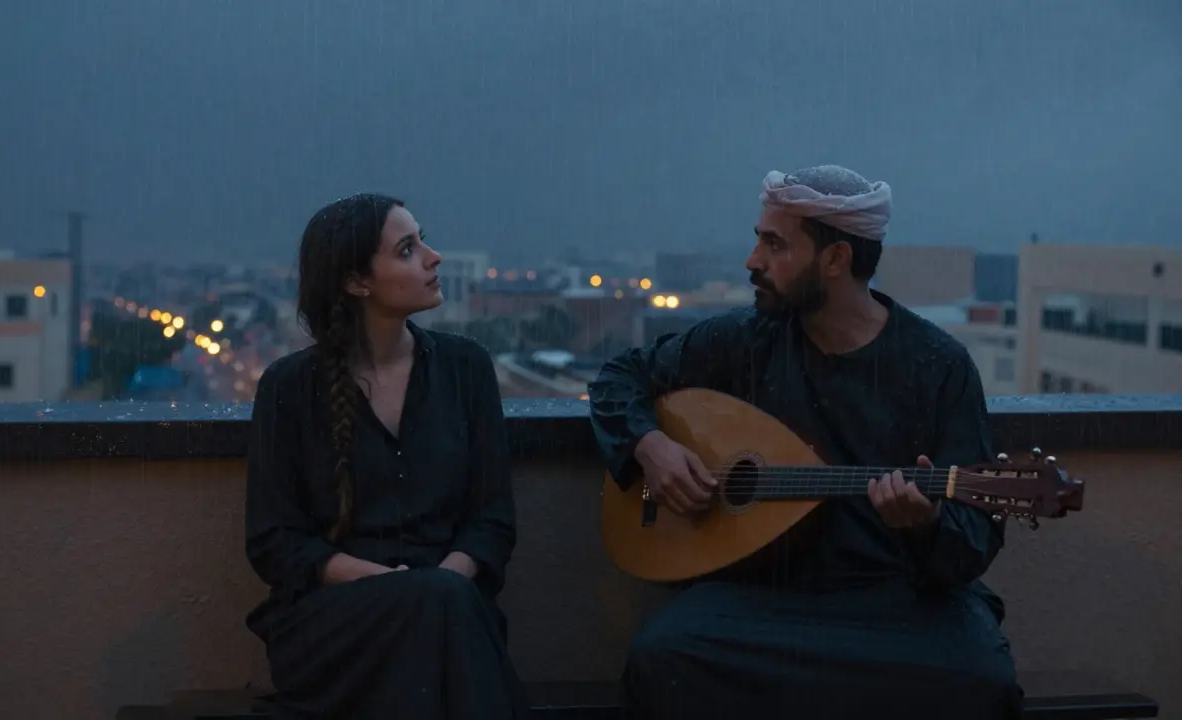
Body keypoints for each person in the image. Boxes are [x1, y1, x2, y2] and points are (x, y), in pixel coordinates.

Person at [588, 166, 1021, 719]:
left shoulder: (937, 366)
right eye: (758, 240)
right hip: (761, 596)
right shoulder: (743, 342)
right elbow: (617, 380)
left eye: (774, 245)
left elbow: (974, 537)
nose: (753, 261)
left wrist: (927, 525)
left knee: (983, 678)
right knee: (662, 655)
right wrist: (650, 447)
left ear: (836, 260)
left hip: (892, 602)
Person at [244, 193, 526, 719]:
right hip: (334, 625)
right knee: (436, 615)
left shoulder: (466, 369)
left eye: (423, 240)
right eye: (407, 249)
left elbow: (491, 522)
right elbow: (274, 541)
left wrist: (440, 583)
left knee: (439, 613)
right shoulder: (290, 388)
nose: (433, 257)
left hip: (453, 609)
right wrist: (396, 585)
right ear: (357, 281)